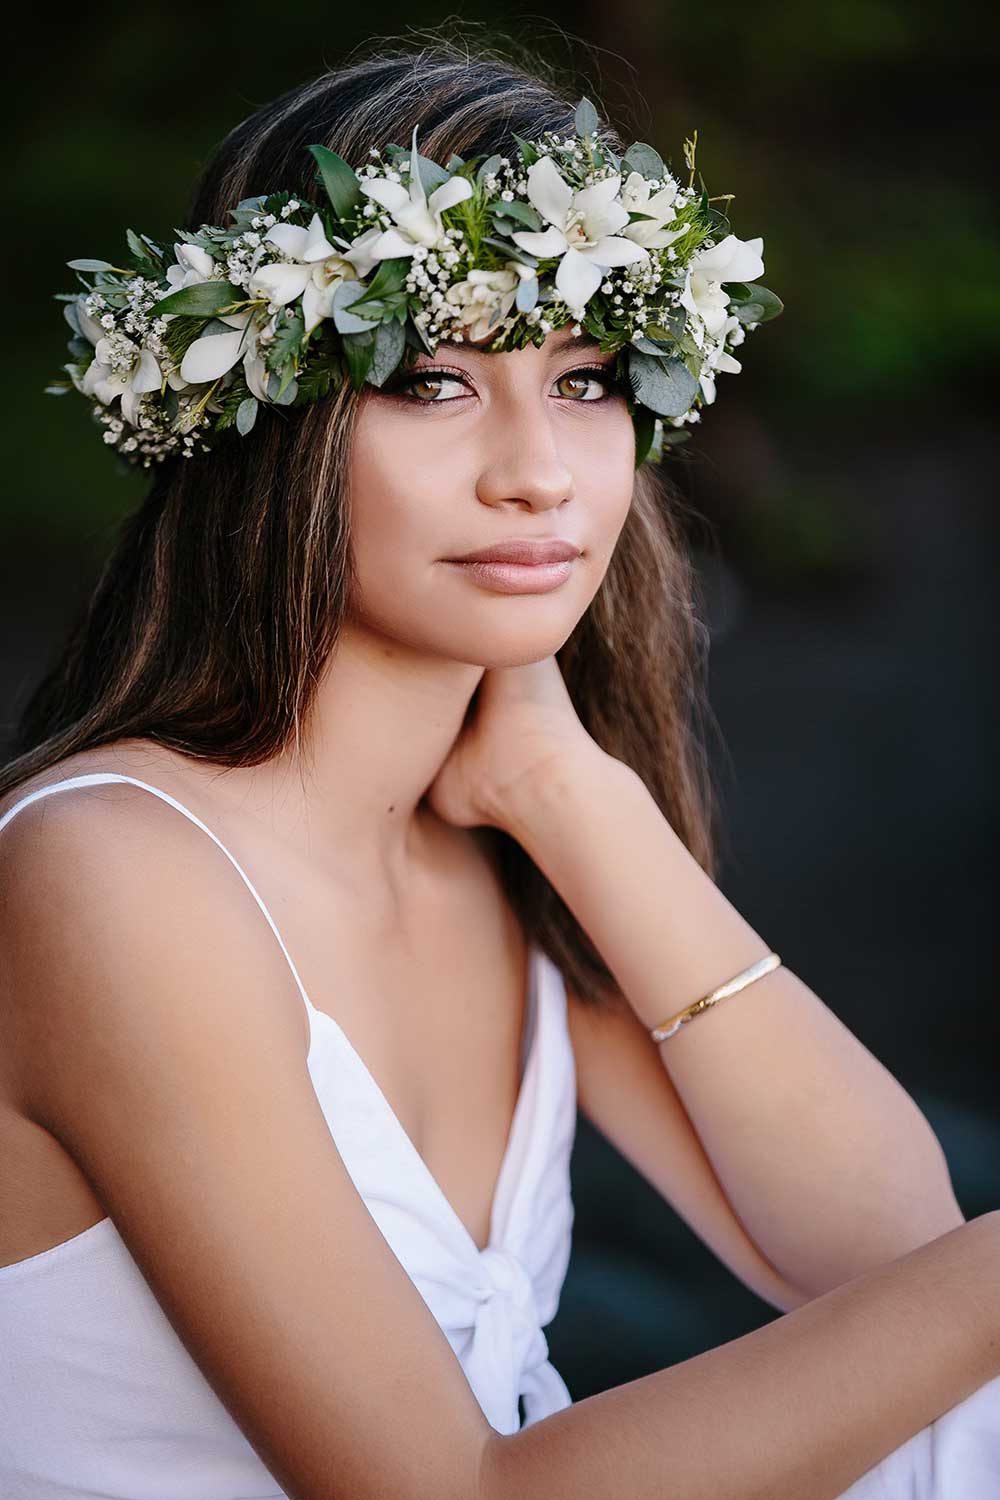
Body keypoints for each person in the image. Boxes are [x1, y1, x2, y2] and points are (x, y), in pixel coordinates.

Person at [1, 32, 998, 1500]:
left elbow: (886, 1255)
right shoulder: (114, 872)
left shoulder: (500, 847)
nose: (537, 469)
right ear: (263, 423)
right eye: (433, 383)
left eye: (589, 379)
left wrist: (575, 796)